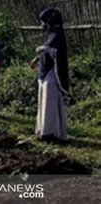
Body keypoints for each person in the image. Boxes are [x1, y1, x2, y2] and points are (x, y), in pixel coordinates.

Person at [30, 8, 69, 142]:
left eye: (44, 22)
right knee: (44, 104)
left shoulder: (59, 34)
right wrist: (38, 57)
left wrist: (45, 49)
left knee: (51, 105)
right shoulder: (51, 33)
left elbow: (57, 53)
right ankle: (44, 131)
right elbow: (47, 49)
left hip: (52, 75)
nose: (42, 25)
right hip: (45, 73)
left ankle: (53, 133)